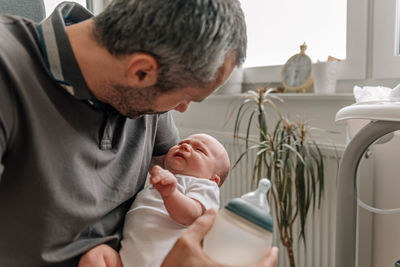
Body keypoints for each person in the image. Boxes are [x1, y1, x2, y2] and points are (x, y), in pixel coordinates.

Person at [0, 0, 278, 266]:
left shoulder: (144, 101)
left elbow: (183, 183)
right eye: (185, 98)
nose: (182, 109)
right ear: (141, 72)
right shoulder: (8, 73)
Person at [79, 133, 230, 267]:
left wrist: (171, 194)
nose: (184, 146)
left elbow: (192, 215)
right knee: (97, 255)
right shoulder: (161, 181)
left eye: (199, 150)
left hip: (166, 261)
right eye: (181, 143)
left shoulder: (204, 186)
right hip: (126, 260)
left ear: (213, 179)